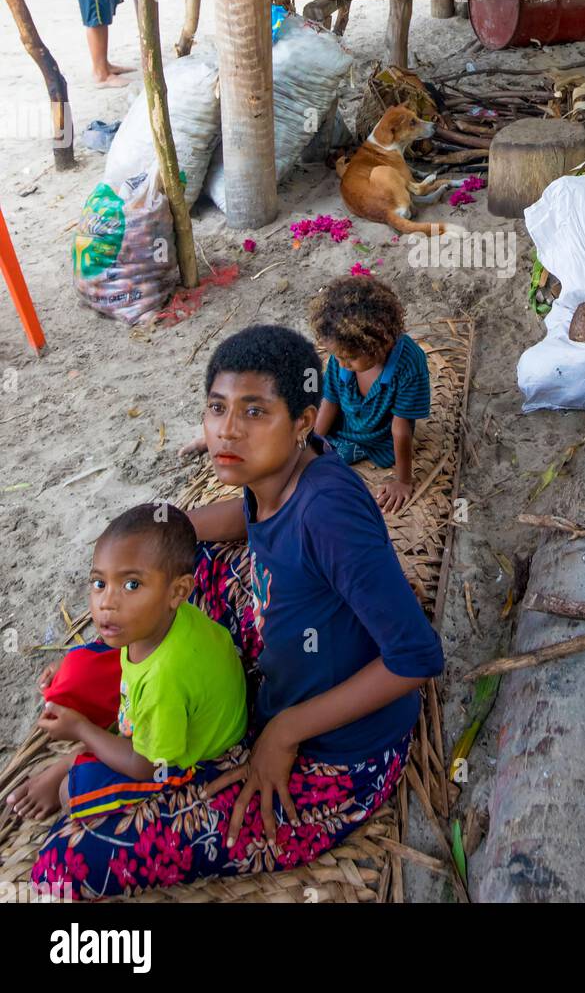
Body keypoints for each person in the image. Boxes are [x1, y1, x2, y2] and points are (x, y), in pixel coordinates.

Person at [28, 324, 443, 899]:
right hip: (287, 658)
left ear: (302, 422)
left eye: (254, 411)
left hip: (338, 756)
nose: (227, 429)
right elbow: (237, 519)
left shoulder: (328, 513)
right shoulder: (276, 473)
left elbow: (418, 656)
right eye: (218, 408)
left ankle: (105, 754)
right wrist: (159, 535)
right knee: (164, 571)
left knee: (64, 865)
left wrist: (283, 733)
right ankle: (104, 686)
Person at [7, 504, 247, 823]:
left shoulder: (164, 679)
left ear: (178, 591)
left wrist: (81, 729)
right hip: (164, 713)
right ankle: (94, 748)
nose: (107, 602)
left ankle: (74, 761)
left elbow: (146, 766)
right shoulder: (161, 618)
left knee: (71, 792)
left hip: (187, 756)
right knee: (74, 671)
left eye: (131, 585)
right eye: (99, 583)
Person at [309, 275, 430, 513]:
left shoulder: (409, 364)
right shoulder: (343, 357)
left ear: (381, 343)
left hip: (374, 439)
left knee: (323, 469)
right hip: (343, 422)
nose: (342, 364)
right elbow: (330, 402)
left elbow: (400, 427)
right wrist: (311, 444)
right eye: (338, 357)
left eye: (350, 358)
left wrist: (403, 480)